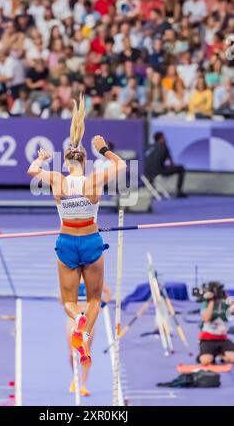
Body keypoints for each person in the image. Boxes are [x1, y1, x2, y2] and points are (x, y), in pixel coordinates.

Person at [27, 95, 126, 366]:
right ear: (84, 161)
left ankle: (77, 320)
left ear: (67, 162)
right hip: (91, 241)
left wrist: (42, 158)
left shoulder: (57, 180)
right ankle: (83, 332)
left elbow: (31, 170)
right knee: (95, 299)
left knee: (68, 301)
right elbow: (122, 166)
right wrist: (104, 149)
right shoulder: (94, 179)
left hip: (67, 242)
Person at [67, 279, 111, 396]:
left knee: (85, 353)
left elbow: (108, 293)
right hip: (73, 319)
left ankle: (83, 385)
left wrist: (99, 308)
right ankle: (75, 378)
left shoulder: (92, 276)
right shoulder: (71, 275)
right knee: (72, 353)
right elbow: (61, 297)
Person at [197, 282, 234, 366]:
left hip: (222, 338)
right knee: (206, 361)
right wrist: (211, 301)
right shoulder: (205, 304)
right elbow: (206, 318)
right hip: (207, 339)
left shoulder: (225, 303)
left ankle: (221, 355)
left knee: (232, 359)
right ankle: (206, 355)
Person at [145, 132, 187, 198]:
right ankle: (179, 191)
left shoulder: (150, 147)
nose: (165, 139)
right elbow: (172, 164)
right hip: (159, 172)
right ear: (160, 139)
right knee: (181, 168)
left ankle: (152, 188)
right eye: (164, 137)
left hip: (147, 173)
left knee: (154, 169)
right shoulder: (164, 147)